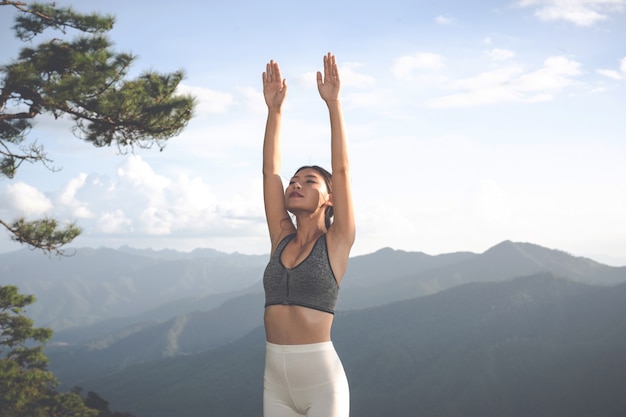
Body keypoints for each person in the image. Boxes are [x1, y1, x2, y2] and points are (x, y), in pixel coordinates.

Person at [261, 52, 355, 417]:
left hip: (321, 383)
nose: (296, 184)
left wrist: (333, 104)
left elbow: (343, 170)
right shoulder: (281, 236)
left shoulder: (336, 241)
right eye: (295, 181)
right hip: (274, 383)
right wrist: (274, 112)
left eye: (309, 181)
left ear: (329, 198)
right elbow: (270, 172)